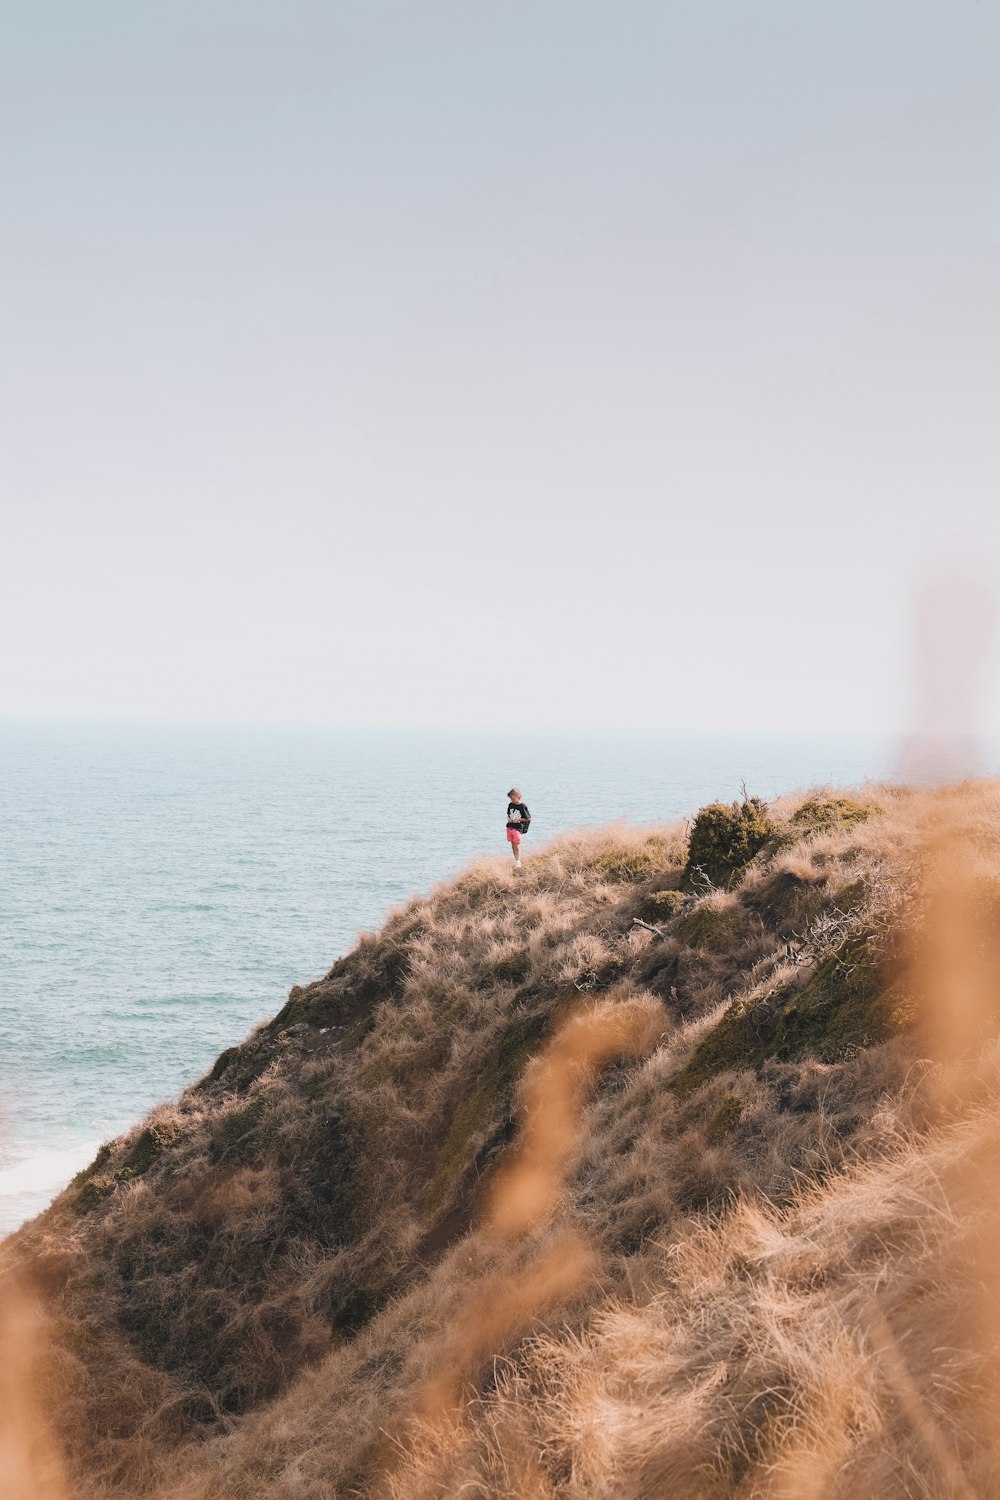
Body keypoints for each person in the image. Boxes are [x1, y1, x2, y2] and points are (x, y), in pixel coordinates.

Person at [506, 787, 531, 869]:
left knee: (517, 845)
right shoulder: (510, 804)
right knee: (512, 844)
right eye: (511, 799)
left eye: (513, 798)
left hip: (518, 827)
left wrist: (518, 819)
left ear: (518, 797)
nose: (512, 800)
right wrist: (509, 819)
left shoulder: (522, 806)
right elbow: (508, 814)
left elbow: (528, 818)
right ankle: (516, 860)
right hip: (510, 827)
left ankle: (518, 861)